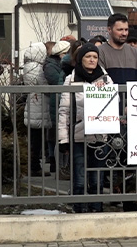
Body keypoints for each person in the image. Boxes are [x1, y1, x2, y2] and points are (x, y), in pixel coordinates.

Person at [97, 13, 137, 212]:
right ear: (109, 30)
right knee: (106, 157)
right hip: (108, 114)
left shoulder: (136, 54)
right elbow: (99, 84)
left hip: (131, 114)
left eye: (126, 30)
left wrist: (132, 106)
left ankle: (129, 199)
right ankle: (101, 199)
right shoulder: (101, 53)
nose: (124, 33)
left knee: (130, 159)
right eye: (120, 30)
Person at [58, 43, 112, 213]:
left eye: (95, 57)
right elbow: (64, 110)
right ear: (80, 59)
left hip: (99, 136)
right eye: (88, 56)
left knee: (97, 179)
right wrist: (63, 139)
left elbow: (113, 103)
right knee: (80, 178)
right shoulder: (71, 79)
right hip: (78, 135)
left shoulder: (106, 79)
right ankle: (79, 210)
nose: (92, 60)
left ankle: (97, 210)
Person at [22, 42, 52, 176]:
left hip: (33, 104)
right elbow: (44, 84)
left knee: (35, 139)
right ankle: (34, 167)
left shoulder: (28, 66)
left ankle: (33, 165)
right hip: (39, 106)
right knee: (37, 139)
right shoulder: (37, 68)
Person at [44, 40, 70, 173]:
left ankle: (62, 166)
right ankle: (58, 166)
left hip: (60, 101)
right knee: (57, 137)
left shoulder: (59, 65)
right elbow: (56, 82)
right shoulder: (51, 67)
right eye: (65, 53)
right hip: (57, 102)